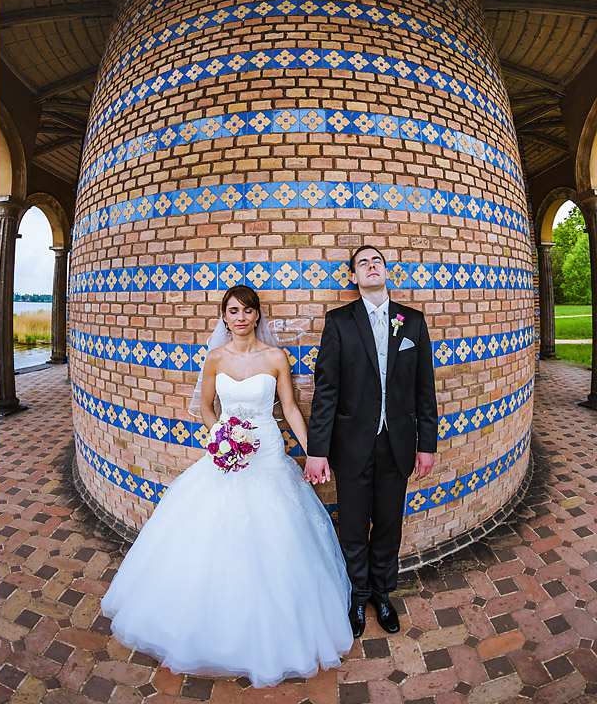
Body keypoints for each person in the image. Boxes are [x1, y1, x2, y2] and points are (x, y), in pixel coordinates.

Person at [101, 285, 353, 688]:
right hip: (226, 455)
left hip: (268, 453)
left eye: (247, 310)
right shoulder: (215, 358)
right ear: (224, 317)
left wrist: (312, 454)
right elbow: (205, 406)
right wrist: (221, 437)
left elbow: (288, 408)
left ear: (257, 315)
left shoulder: (275, 357)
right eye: (232, 311)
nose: (239, 317)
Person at [304, 245, 437, 638]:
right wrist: (317, 451)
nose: (371, 265)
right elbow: (326, 390)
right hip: (351, 445)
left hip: (397, 443)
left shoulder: (411, 321)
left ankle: (382, 594)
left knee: (389, 525)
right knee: (354, 524)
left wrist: (425, 443)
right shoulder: (339, 322)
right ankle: (357, 595)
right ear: (353, 277)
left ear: (387, 270)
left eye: (376, 260)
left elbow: (424, 388)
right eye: (362, 263)